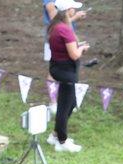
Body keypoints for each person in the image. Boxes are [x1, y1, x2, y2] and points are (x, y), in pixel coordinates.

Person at [47, 0, 89, 153]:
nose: (74, 11)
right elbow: (74, 54)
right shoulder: (65, 30)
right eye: (73, 8)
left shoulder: (56, 26)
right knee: (65, 107)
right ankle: (62, 140)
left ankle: (55, 134)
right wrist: (82, 48)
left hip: (58, 68)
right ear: (68, 11)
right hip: (66, 71)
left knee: (70, 103)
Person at [43, 0, 87, 114]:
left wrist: (75, 40)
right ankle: (53, 102)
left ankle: (70, 101)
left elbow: (67, 23)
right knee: (54, 71)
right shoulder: (51, 2)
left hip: (67, 37)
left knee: (69, 69)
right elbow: (55, 19)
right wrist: (75, 17)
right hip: (56, 38)